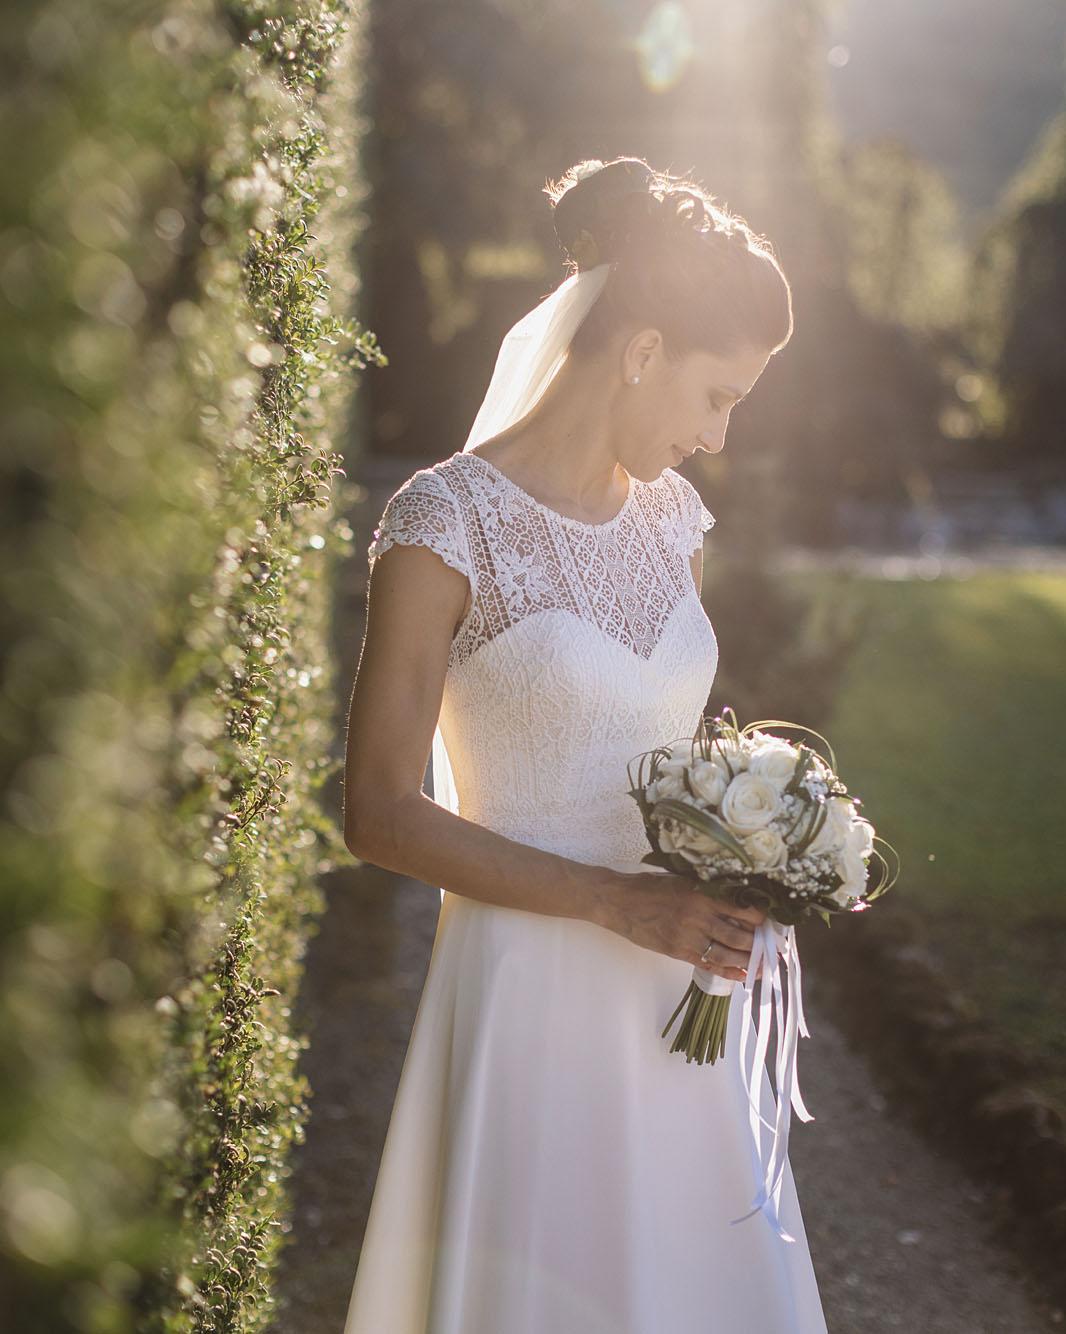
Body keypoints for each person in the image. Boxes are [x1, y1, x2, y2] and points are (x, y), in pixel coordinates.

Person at [338, 156, 824, 1333]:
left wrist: (744, 839)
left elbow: (658, 734)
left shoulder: (672, 520)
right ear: (643, 349)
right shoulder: (441, 522)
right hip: (526, 990)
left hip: (677, 991)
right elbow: (377, 813)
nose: (716, 437)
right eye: (717, 396)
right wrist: (611, 902)